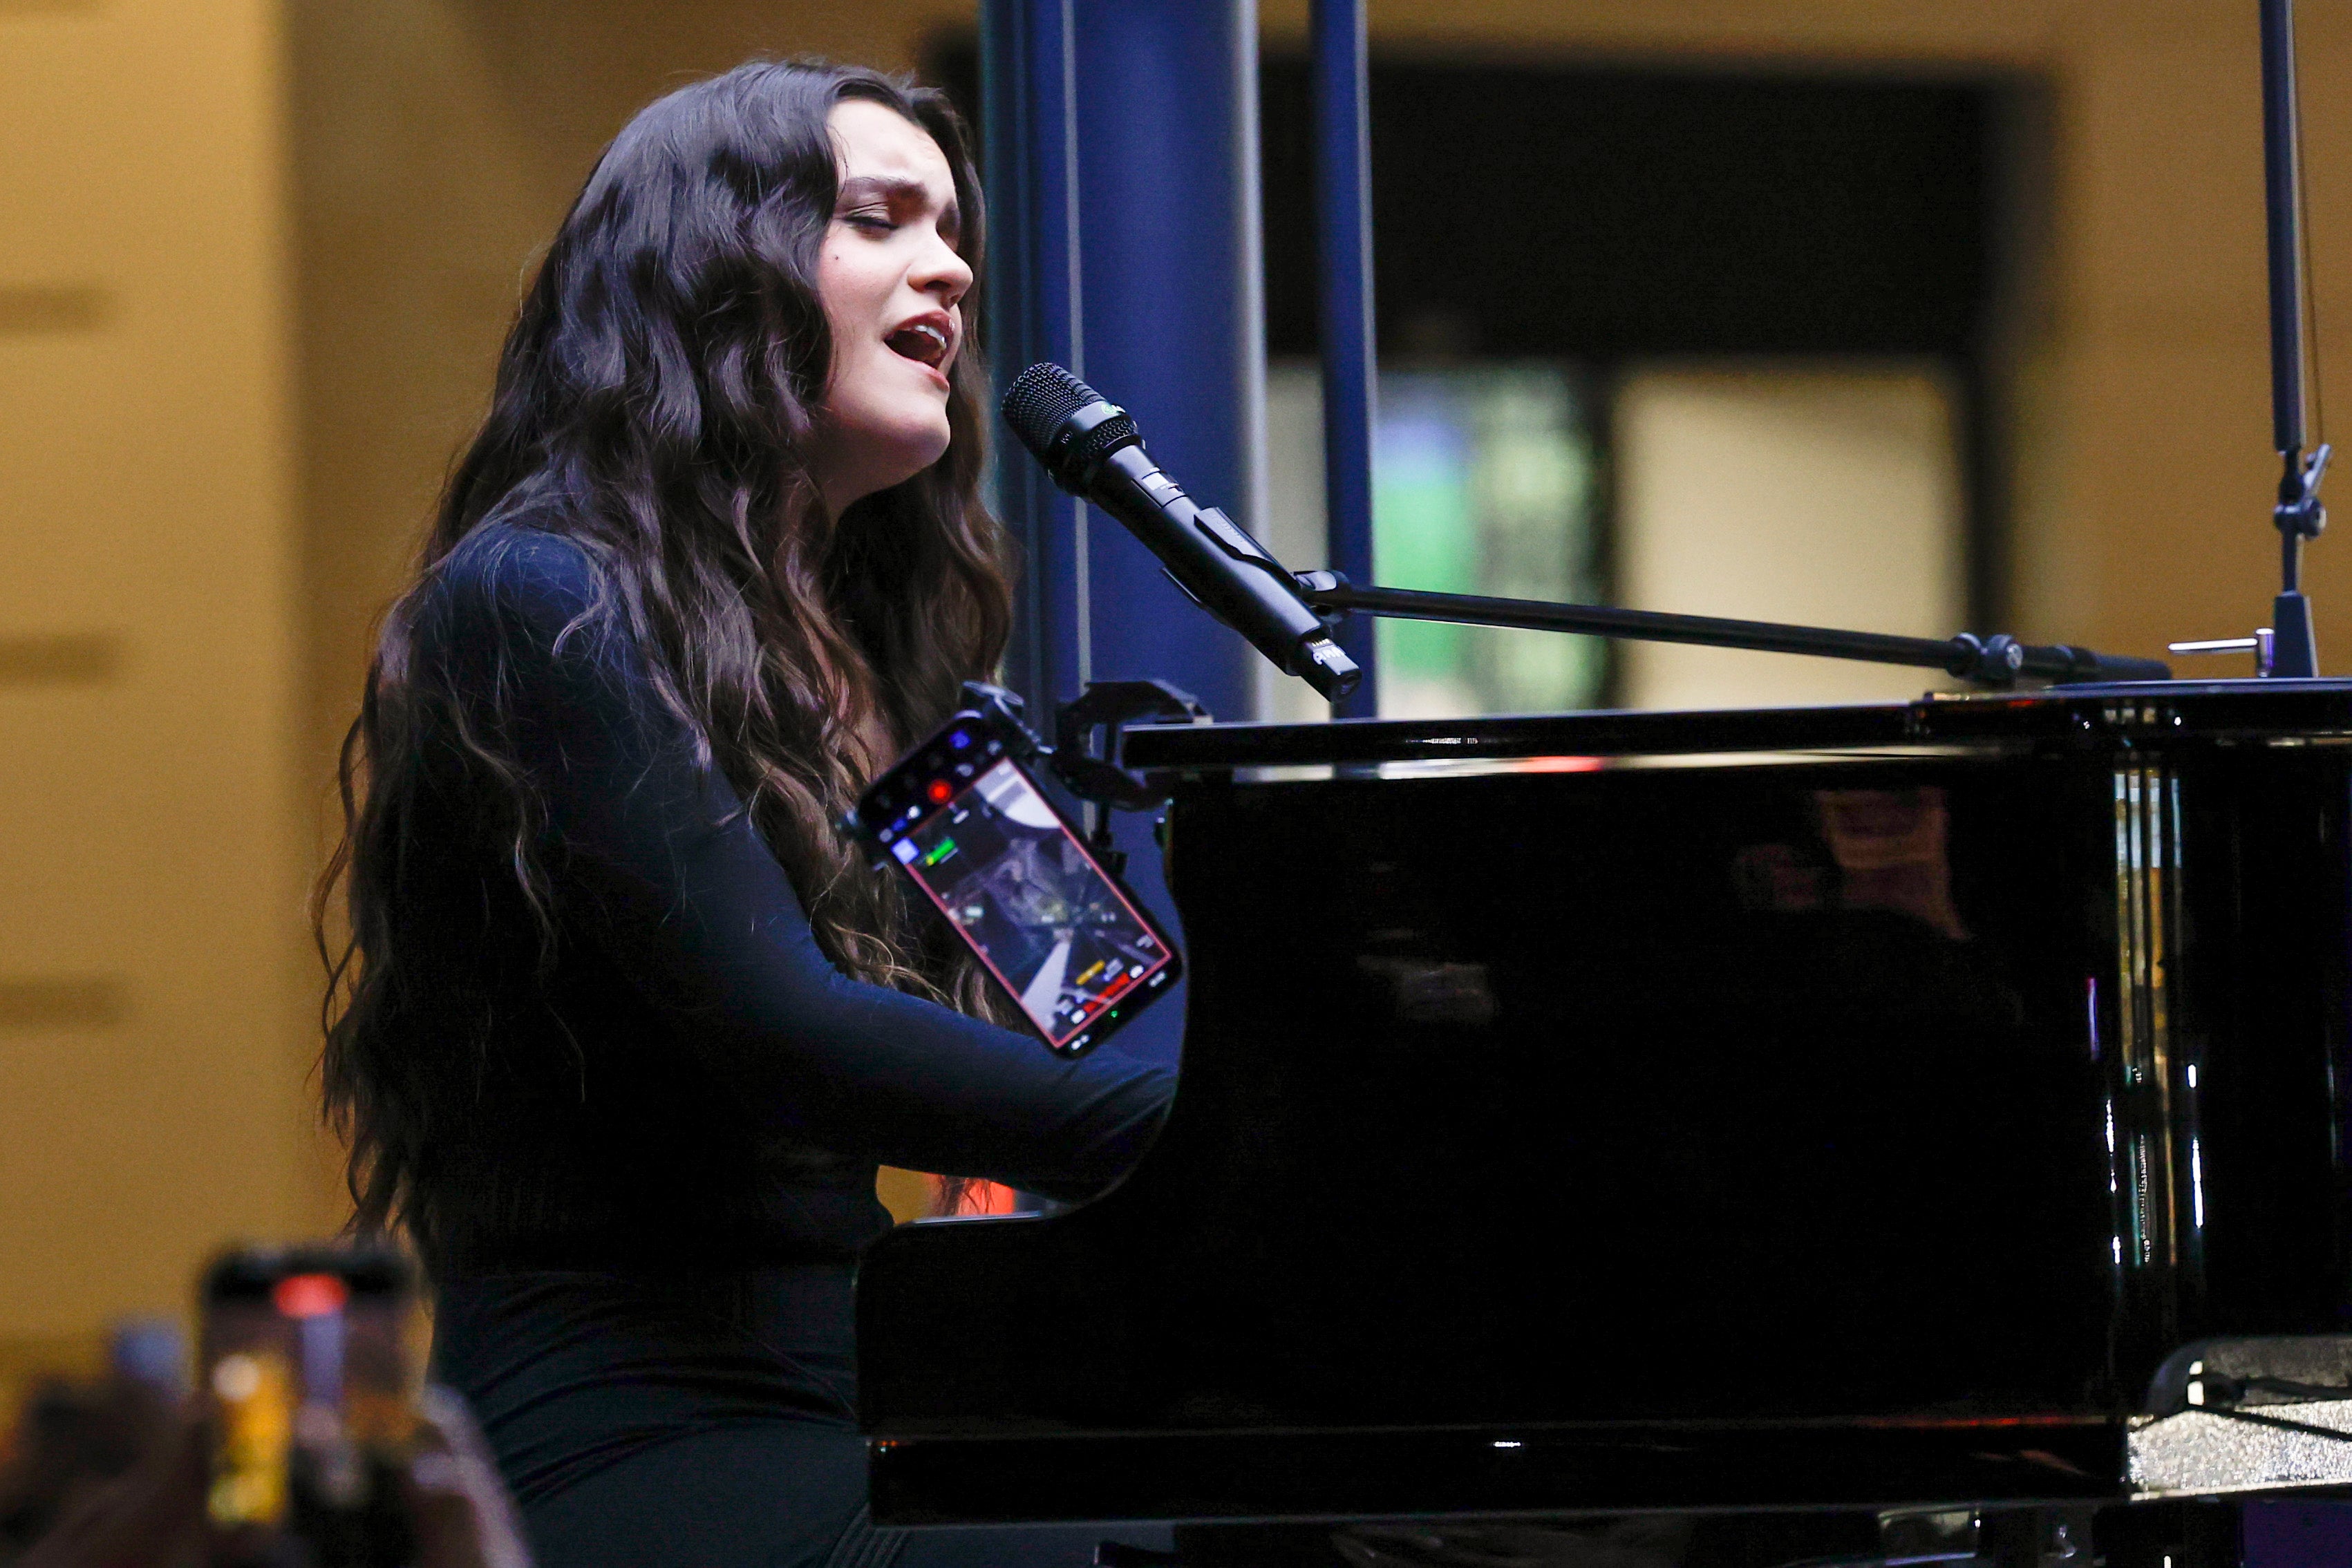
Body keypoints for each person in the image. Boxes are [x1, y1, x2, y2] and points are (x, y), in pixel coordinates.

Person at [317, 60, 1174, 1568]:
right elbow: (786, 1027)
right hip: (632, 1444)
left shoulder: (914, 698)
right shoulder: (538, 605)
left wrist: (1301, 1118)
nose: (954, 263)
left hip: (854, 1409)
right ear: (716, 277)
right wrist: (1226, 1138)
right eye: (877, 217)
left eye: (954, 227)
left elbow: (1097, 1003)